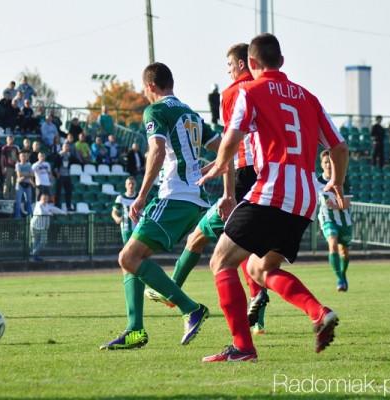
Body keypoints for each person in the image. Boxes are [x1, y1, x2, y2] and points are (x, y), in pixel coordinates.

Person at [198, 33, 348, 362]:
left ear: (251, 64)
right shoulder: (309, 97)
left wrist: (220, 164)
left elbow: (232, 137)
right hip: (306, 196)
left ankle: (242, 347)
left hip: (273, 190)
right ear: (281, 61)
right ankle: (318, 313)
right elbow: (339, 147)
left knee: (221, 261)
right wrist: (335, 181)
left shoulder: (249, 91)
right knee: (259, 268)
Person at [144, 43, 269, 334]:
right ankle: (259, 313)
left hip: (242, 177)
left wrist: (227, 191)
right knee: (242, 247)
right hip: (269, 177)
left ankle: (174, 294)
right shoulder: (267, 90)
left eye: (228, 65)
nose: (227, 70)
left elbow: (230, 146)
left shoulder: (234, 94)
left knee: (204, 243)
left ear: (241, 64)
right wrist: (211, 167)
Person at [100, 62, 216, 350]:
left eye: (143, 88)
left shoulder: (156, 110)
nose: (144, 93)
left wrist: (140, 195)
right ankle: (135, 329)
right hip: (191, 198)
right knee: (131, 259)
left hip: (175, 196)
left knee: (128, 257)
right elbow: (225, 146)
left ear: (151, 86)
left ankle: (191, 309)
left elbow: (157, 150)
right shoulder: (190, 112)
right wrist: (208, 170)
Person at [318, 150, 352, 292]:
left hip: (344, 220)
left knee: (344, 251)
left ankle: (343, 275)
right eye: (325, 162)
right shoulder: (317, 181)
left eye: (330, 162)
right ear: (321, 164)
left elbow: (347, 203)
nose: (328, 165)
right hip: (327, 220)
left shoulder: (343, 179)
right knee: (332, 243)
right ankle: (339, 279)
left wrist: (336, 205)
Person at [30, 194, 66, 261]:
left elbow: (55, 209)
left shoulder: (47, 206)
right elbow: (41, 212)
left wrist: (63, 212)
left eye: (46, 199)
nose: (45, 200)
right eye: (44, 199)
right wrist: (49, 213)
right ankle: (35, 256)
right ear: (41, 199)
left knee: (43, 241)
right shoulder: (38, 204)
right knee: (35, 241)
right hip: (35, 225)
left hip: (43, 227)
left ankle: (34, 253)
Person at [112, 177, 138, 243]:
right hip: (126, 228)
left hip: (139, 228)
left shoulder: (139, 197)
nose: (131, 185)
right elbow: (114, 212)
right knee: (128, 249)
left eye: (133, 184)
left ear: (135, 185)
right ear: (126, 185)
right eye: (129, 184)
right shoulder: (121, 198)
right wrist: (116, 218)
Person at [13, 152, 34, 218]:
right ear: (19, 157)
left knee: (29, 201)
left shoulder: (29, 164)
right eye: (22, 156)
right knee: (18, 202)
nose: (23, 157)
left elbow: (32, 175)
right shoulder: (18, 164)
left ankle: (30, 216)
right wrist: (27, 174)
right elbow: (19, 175)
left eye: (24, 156)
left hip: (28, 184)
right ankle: (17, 217)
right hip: (20, 184)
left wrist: (24, 175)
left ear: (27, 157)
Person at [1, 135, 20, 199]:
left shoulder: (15, 148)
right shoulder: (4, 148)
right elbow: (2, 158)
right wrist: (3, 167)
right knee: (7, 182)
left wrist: (18, 167)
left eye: (11, 139)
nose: (10, 140)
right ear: (6, 140)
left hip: (15, 167)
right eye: (9, 139)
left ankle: (13, 196)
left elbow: (18, 158)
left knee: (14, 183)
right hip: (8, 167)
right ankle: (5, 196)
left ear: (13, 140)